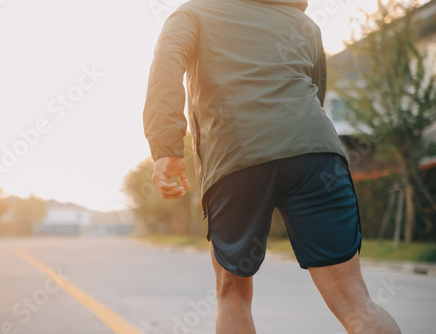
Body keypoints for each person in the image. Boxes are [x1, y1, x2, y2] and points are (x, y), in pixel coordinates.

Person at [143, 0, 401, 333]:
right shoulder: (303, 22)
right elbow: (315, 90)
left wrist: (167, 149)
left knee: (232, 291)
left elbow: (166, 67)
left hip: (237, 156)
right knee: (354, 300)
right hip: (316, 154)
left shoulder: (193, 13)